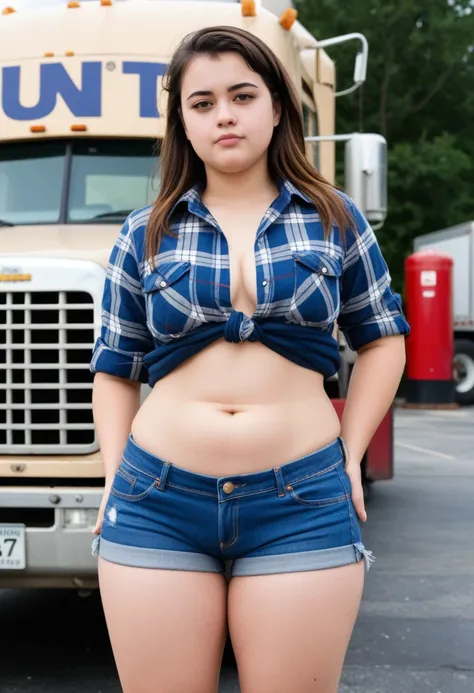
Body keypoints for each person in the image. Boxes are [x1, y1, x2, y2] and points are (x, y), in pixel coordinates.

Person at [89, 25, 410, 693]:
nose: (224, 115)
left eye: (242, 95)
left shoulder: (335, 218)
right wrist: (117, 475)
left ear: (277, 107)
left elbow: (383, 338)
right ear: (182, 119)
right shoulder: (142, 231)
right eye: (202, 103)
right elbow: (116, 366)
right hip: (156, 500)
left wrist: (349, 455)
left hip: (302, 497)